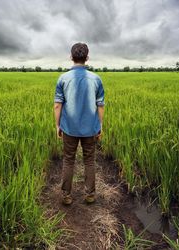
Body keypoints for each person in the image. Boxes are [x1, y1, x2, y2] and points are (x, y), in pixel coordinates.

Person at [54, 42, 105, 205]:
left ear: (71, 57)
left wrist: (57, 125)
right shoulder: (96, 78)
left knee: (68, 160)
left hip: (69, 127)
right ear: (87, 58)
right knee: (89, 160)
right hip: (90, 128)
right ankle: (90, 195)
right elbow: (100, 104)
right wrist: (100, 125)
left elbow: (57, 104)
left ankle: (66, 196)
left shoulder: (63, 78)